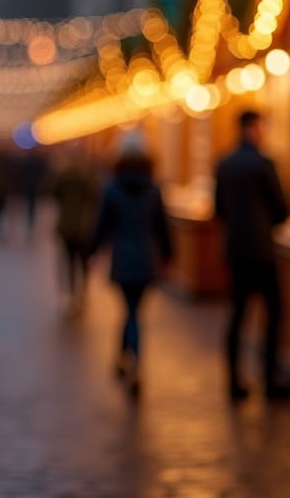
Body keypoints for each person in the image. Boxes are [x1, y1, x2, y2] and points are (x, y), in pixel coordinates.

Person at [214, 109, 290, 402]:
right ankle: (270, 377)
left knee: (237, 314)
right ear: (253, 128)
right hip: (262, 251)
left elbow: (218, 208)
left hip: (234, 250)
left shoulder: (224, 163)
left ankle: (234, 381)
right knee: (274, 313)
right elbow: (282, 209)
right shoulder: (264, 164)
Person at [90, 133, 172, 394]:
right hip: (147, 258)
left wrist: (91, 252)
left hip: (122, 258)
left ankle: (131, 363)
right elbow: (162, 228)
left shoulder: (112, 189)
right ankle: (124, 358)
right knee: (134, 312)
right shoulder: (154, 190)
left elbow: (102, 226)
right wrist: (169, 257)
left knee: (130, 311)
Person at [46, 143, 101, 316]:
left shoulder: (63, 175)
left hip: (66, 224)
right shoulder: (88, 177)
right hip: (84, 225)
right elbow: (96, 196)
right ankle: (83, 291)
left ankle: (70, 295)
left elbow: (52, 192)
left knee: (68, 260)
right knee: (83, 260)